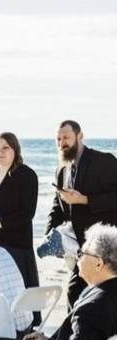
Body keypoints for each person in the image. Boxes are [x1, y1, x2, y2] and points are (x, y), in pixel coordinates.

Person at [46, 120, 117, 308]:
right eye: (58, 139)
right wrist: (50, 231)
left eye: (66, 137)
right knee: (75, 296)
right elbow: (57, 204)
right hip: (80, 249)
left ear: (80, 136)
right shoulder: (61, 170)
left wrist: (85, 199)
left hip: (107, 248)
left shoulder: (104, 161)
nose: (62, 143)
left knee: (94, 298)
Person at [0, 132, 39, 291]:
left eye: (5, 147)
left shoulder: (26, 175)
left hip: (15, 248)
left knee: (18, 298)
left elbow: (27, 212)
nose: (0, 152)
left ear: (15, 150)